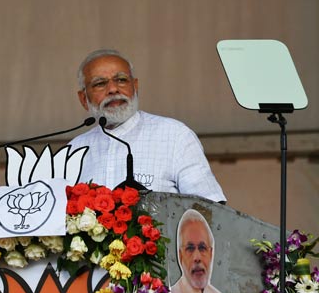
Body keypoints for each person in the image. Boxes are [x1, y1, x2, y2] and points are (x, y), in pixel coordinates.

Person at [69, 49, 226, 203]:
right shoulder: (74, 150)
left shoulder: (175, 135)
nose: (113, 89)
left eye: (121, 80)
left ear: (135, 87)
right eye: (100, 84)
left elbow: (209, 208)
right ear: (83, 98)